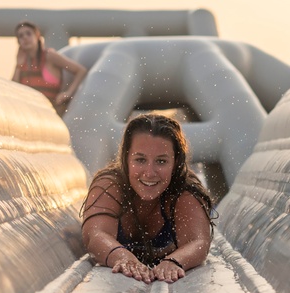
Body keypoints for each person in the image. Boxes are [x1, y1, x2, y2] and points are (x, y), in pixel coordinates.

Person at [81, 113, 215, 284]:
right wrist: (122, 257)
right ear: (126, 159)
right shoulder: (111, 185)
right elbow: (94, 235)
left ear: (175, 164)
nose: (150, 173)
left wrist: (173, 261)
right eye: (140, 159)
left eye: (161, 161)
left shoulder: (184, 192)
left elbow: (199, 242)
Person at [12, 21, 87, 115]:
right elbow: (12, 89)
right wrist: (18, 65)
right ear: (18, 42)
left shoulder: (49, 56)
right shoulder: (22, 62)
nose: (25, 38)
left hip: (50, 113)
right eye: (21, 36)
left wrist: (68, 93)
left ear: (37, 36)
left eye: (28, 33)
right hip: (29, 113)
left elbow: (80, 71)